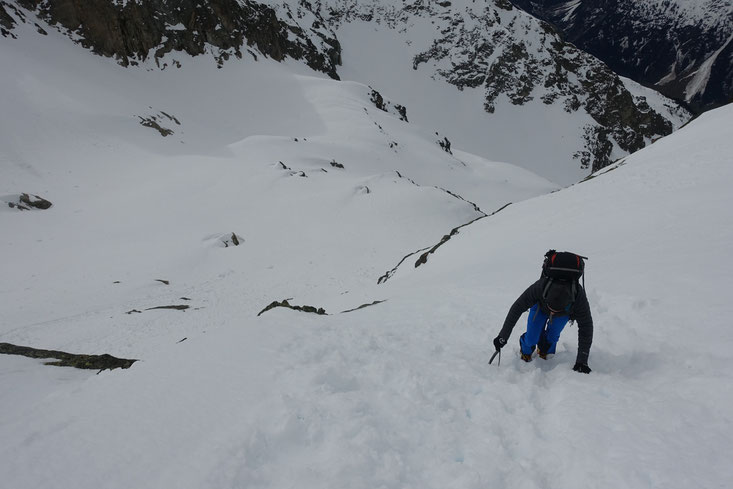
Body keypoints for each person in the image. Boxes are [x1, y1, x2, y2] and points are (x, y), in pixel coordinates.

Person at [492, 254, 594, 373]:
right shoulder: (540, 287)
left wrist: (582, 360)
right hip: (540, 306)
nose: (552, 312)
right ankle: (526, 348)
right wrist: (502, 336)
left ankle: (545, 348)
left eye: (555, 311)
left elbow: (586, 327)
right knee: (531, 338)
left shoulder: (578, 296)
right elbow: (517, 307)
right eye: (551, 309)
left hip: (564, 313)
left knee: (553, 336)